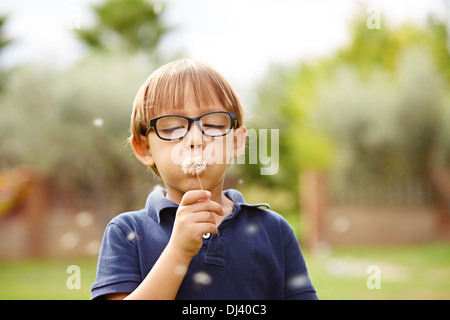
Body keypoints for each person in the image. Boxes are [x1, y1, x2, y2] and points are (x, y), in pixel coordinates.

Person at [90, 59, 318, 300]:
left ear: (237, 142)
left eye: (213, 124)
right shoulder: (127, 232)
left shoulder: (274, 230)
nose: (196, 139)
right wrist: (179, 251)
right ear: (145, 148)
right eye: (172, 128)